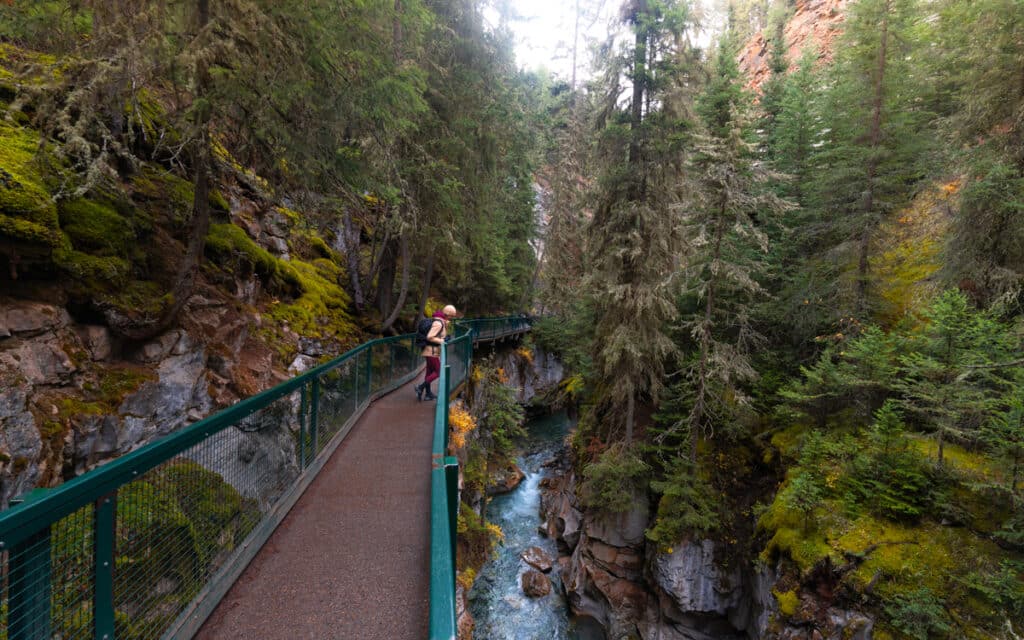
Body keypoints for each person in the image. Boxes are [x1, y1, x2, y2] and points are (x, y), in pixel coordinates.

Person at [415, 304, 457, 401]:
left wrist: (445, 328)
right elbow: (430, 337)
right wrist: (443, 341)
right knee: (438, 372)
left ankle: (428, 394)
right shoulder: (438, 323)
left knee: (429, 372)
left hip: (431, 350)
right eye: (451, 316)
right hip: (431, 351)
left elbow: (438, 335)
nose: (452, 318)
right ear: (448, 314)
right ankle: (420, 387)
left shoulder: (440, 321)